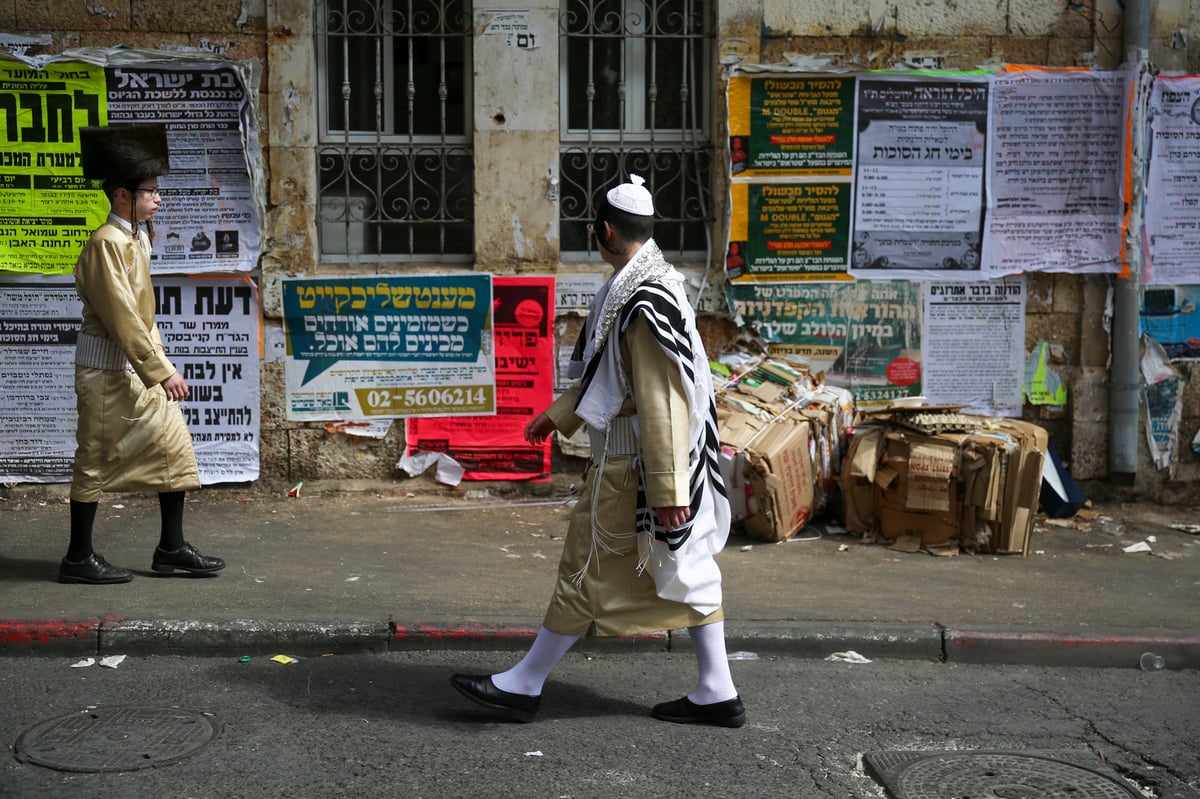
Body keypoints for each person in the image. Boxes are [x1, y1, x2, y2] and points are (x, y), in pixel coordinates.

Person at [451, 175, 743, 727]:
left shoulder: (642, 302)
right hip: (644, 464)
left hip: (632, 469)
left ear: (605, 231)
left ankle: (524, 683)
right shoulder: (646, 284)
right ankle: (716, 689)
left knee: (584, 570)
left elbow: (661, 404)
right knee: (686, 568)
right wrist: (557, 416)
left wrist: (667, 492)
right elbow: (614, 379)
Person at [58, 124, 225, 585]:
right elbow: (122, 316)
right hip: (108, 374)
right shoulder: (104, 244)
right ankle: (77, 559)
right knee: (92, 461)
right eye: (150, 191)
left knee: (175, 448)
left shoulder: (136, 238)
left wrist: (155, 367)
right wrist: (161, 370)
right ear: (121, 195)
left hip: (138, 372)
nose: (158, 198)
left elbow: (139, 319)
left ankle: (171, 549)